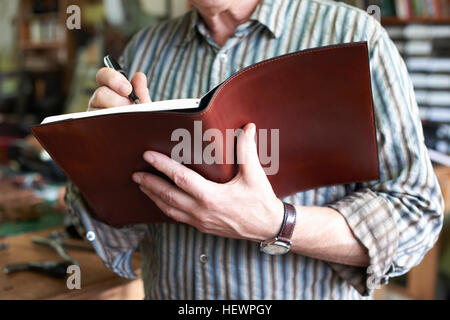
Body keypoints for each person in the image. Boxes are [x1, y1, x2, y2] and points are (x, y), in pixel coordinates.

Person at [66, 0, 444, 299]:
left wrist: (277, 224)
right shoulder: (145, 49)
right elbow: (117, 232)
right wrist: (102, 156)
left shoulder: (354, 37)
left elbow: (415, 214)